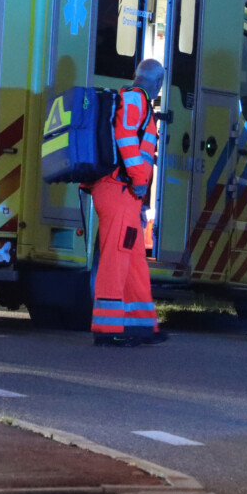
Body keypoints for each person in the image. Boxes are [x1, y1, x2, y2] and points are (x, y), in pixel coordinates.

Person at [88, 58, 165, 346]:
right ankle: (107, 330)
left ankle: (142, 326)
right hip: (120, 190)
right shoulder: (135, 100)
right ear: (158, 84)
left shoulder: (134, 99)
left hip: (126, 195)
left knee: (134, 262)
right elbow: (125, 137)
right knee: (116, 259)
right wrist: (139, 179)